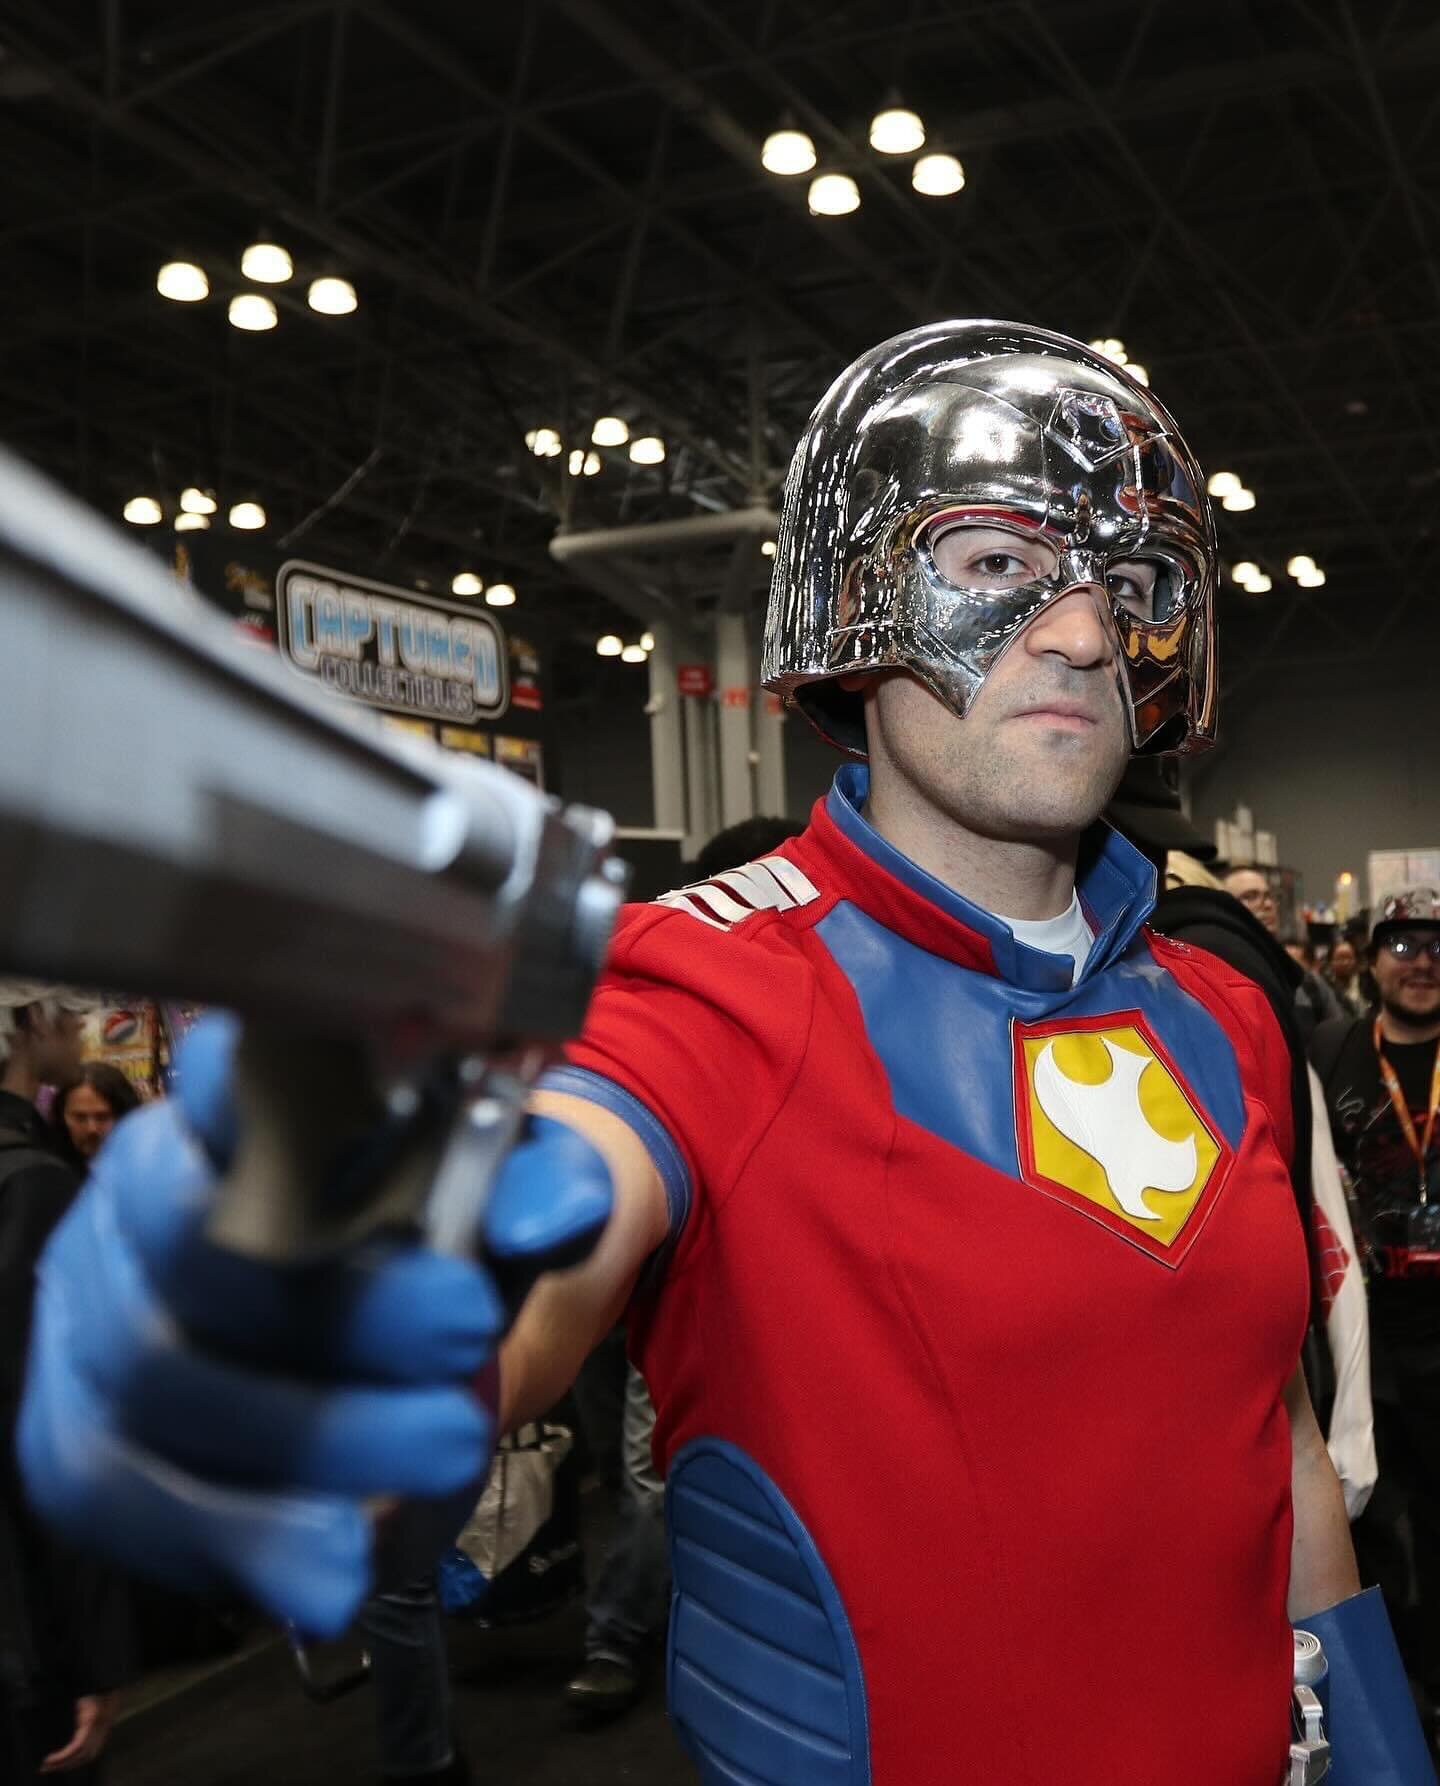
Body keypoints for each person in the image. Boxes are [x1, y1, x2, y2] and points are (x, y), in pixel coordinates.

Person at [18, 322, 1434, 1783]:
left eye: (1126, 583)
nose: (1080, 631)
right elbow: (544, 1223)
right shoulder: (705, 987)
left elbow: (1277, 1440)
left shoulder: (1224, 1011)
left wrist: (1383, 1752)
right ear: (859, 596)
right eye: (1000, 565)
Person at [1311, 888, 1440, 1748]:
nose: (1421, 962)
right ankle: (1408, 1685)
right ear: (1373, 956)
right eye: (1402, 945)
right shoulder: (1335, 1053)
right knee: (1384, 1512)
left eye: (1436, 947)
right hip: (1377, 1328)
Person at [1, 986, 131, 1784]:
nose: (84, 1020)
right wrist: (100, 1654)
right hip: (30, 1626)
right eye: (64, 1001)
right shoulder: (34, 1185)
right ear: (27, 1022)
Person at [1226, 865, 1344, 1037]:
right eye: (1250, 896)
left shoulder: (1308, 985)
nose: (1266, 904)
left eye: (1269, 896)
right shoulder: (1219, 978)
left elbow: (1339, 1044)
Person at [50, 1064, 141, 1177]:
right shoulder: (50, 1173)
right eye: (80, 1118)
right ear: (62, 1118)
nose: (91, 1129)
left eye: (102, 1117)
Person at [1327, 935, 1371, 1017]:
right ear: (1330, 962)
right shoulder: (1325, 986)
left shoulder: (1367, 983)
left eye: (1349, 958)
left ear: (1356, 960)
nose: (1345, 963)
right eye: (1340, 959)